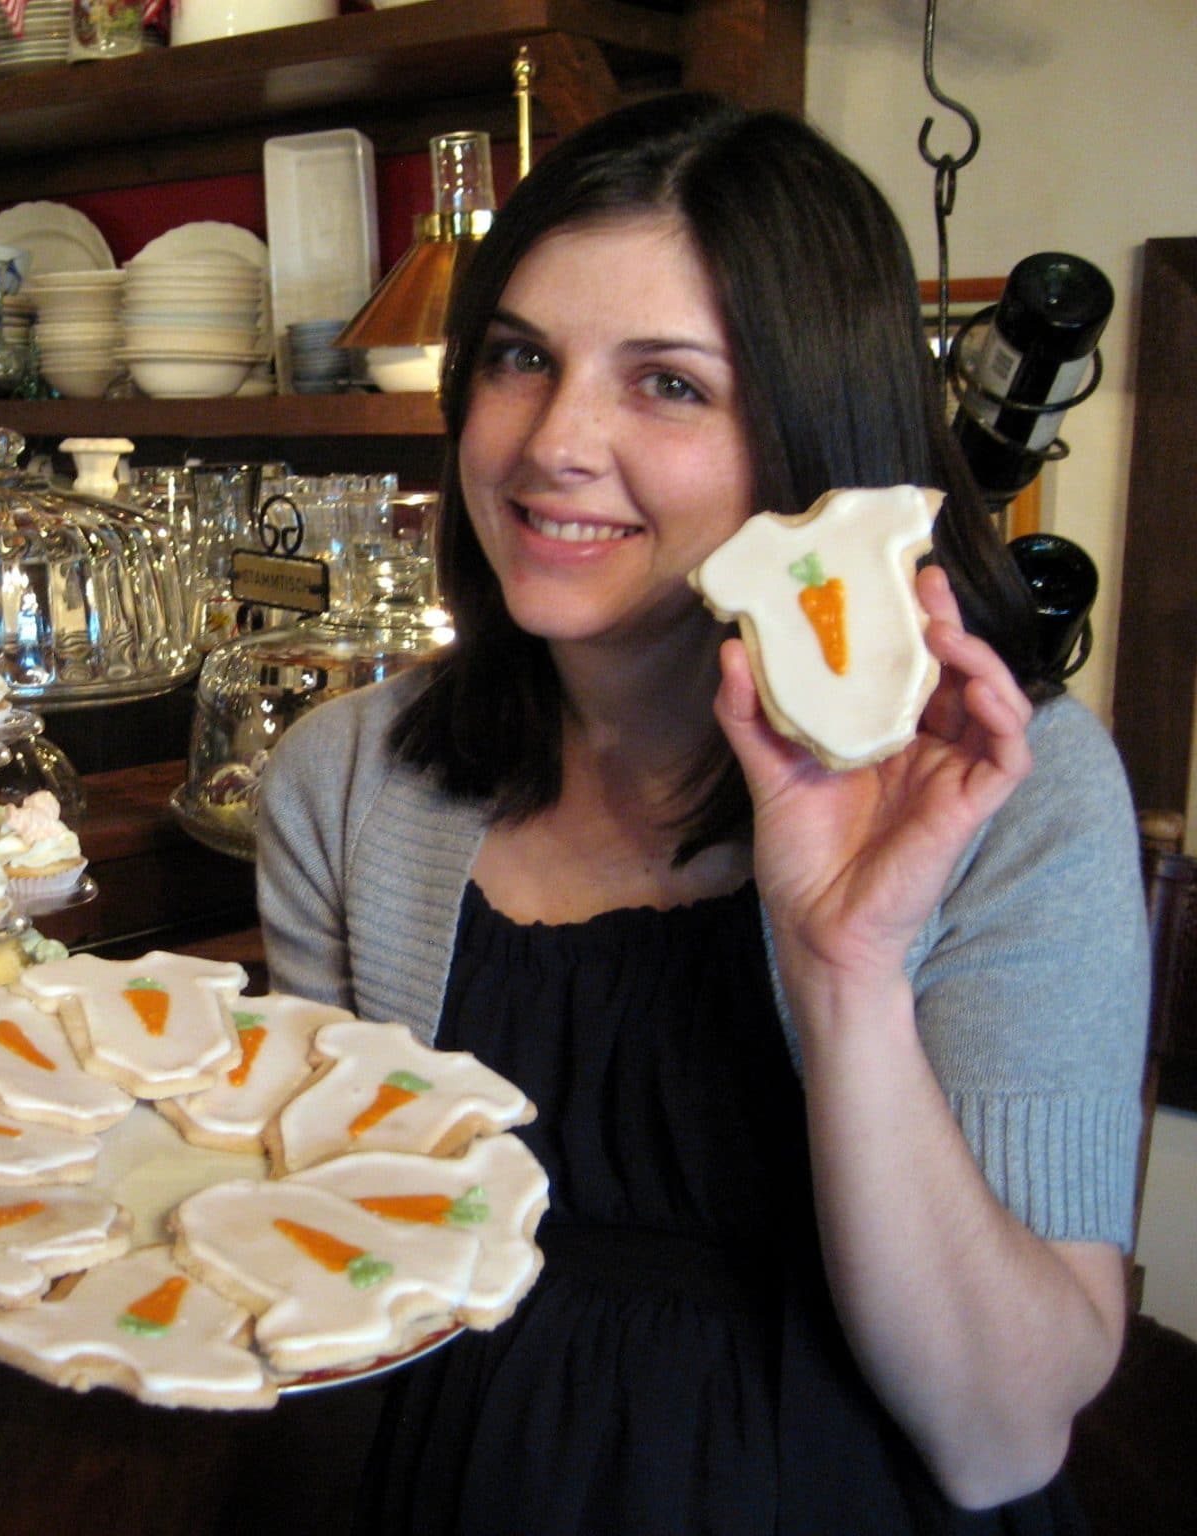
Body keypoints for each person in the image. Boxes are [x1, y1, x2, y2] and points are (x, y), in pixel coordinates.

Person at [257, 92, 1148, 1534]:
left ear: (810, 438)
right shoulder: (347, 779)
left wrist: (847, 970)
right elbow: (332, 1250)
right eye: (520, 357)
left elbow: (1000, 1436)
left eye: (669, 384)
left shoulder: (1009, 792)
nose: (554, 442)